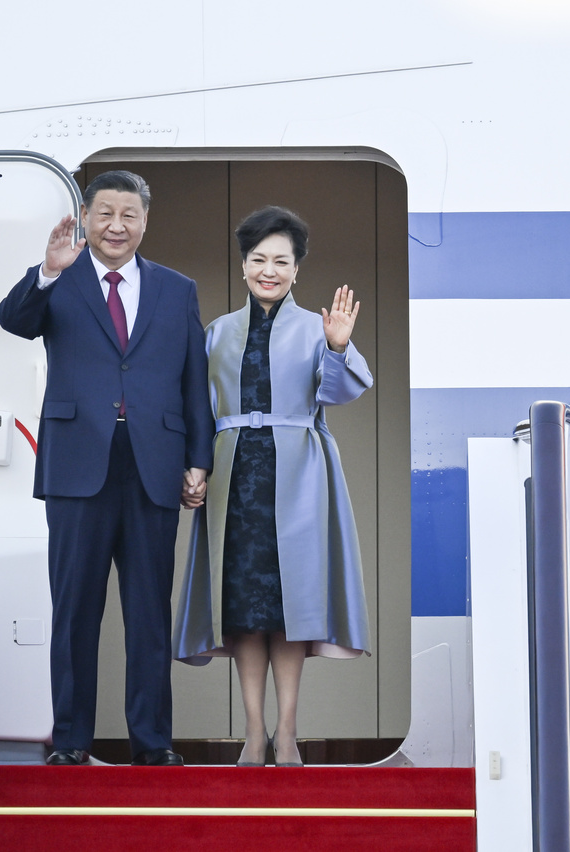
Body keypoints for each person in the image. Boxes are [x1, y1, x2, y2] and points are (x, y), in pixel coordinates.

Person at [0, 170, 214, 767]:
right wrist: (47, 271)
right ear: (86, 219)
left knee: (148, 611)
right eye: (105, 214)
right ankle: (70, 741)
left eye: (129, 215)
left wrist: (198, 459)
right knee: (74, 610)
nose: (116, 226)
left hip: (153, 465)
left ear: (144, 221)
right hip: (77, 464)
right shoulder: (59, 279)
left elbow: (193, 380)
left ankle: (153, 741)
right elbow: (13, 320)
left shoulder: (176, 289)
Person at [172, 206, 372, 767]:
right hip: (235, 477)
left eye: (281, 261)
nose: (269, 270)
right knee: (242, 607)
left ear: (296, 269)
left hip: (299, 475)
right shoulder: (217, 332)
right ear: (243, 266)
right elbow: (198, 410)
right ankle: (254, 732)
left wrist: (338, 347)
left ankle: (286, 732)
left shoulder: (317, 327)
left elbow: (339, 392)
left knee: (289, 604)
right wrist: (194, 467)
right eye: (259, 259)